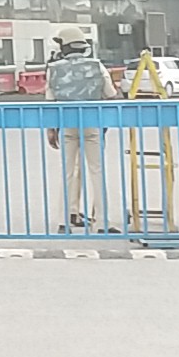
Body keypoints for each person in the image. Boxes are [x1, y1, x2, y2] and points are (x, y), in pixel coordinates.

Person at [43, 27, 116, 233]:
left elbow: (50, 101)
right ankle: (101, 223)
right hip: (92, 124)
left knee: (67, 172)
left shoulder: (54, 69)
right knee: (97, 172)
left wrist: (51, 129)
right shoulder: (97, 66)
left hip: (67, 125)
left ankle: (64, 221)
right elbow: (110, 95)